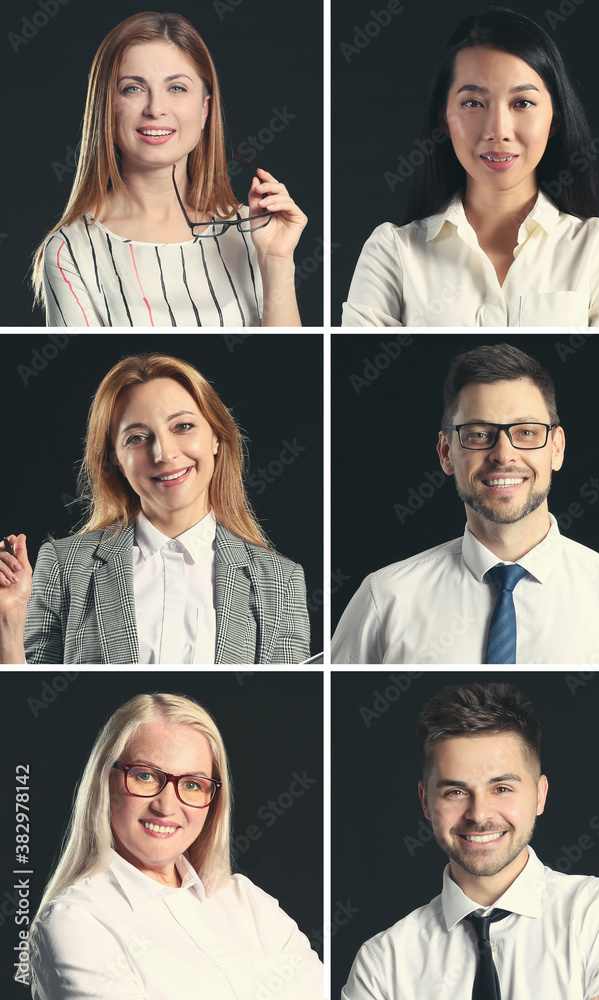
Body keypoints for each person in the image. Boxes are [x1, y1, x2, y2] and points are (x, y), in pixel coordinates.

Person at [330, 343, 599, 663]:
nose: (503, 455)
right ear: (446, 453)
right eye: (478, 434)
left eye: (527, 433)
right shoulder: (385, 597)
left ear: (556, 448)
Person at [342, 682, 599, 999]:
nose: (479, 815)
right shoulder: (382, 964)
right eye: (455, 792)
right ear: (425, 802)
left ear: (539, 794)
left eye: (502, 789)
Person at [342, 8, 599, 327]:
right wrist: (282, 260)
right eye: (473, 103)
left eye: (522, 103)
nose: (498, 130)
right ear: (443, 118)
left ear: (555, 118)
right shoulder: (394, 250)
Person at [0, 353, 310, 664]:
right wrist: (7, 623)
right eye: (136, 438)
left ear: (216, 436)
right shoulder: (65, 565)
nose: (164, 453)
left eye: (183, 426)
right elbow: (29, 696)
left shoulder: (281, 581)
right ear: (117, 461)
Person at [26, 692, 323, 998]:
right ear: (105, 781)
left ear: (214, 801)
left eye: (192, 784)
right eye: (145, 776)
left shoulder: (247, 901)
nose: (166, 806)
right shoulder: (75, 921)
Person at [32, 12, 307, 327]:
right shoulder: (70, 251)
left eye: (176, 88)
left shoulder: (256, 231)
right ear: (105, 107)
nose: (155, 108)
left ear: (205, 109)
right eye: (132, 89)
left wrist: (277, 261)